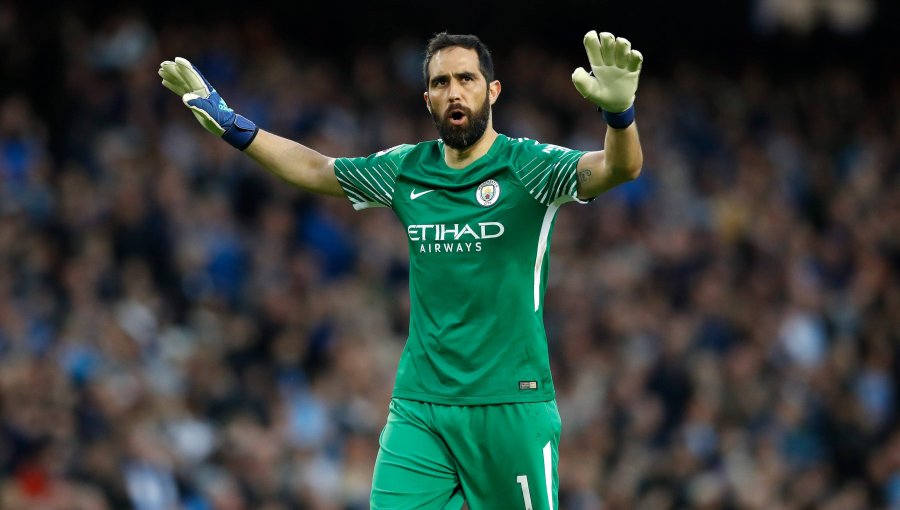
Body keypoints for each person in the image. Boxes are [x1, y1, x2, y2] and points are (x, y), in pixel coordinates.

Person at [159, 29, 643, 510]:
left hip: (509, 405)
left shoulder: (529, 166)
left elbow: (618, 169)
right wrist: (233, 125)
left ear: (492, 91)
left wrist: (619, 117)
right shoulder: (406, 169)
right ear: (427, 98)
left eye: (467, 79)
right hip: (420, 405)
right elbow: (315, 170)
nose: (454, 91)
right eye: (440, 82)